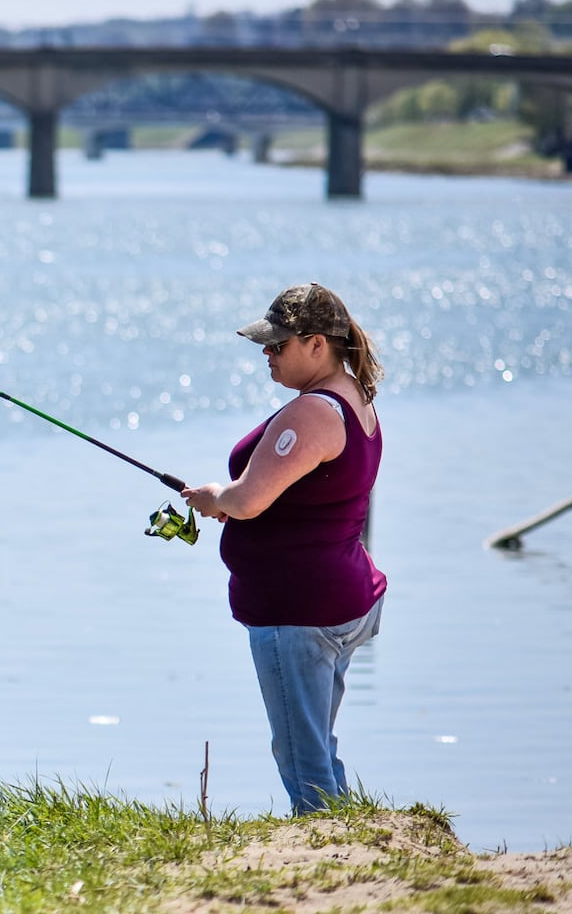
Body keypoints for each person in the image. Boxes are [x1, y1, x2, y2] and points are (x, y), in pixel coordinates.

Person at [181, 283, 386, 815]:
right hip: (337, 597)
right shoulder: (354, 397)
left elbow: (248, 501)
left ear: (317, 344)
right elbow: (305, 493)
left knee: (301, 755)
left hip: (298, 613)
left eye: (278, 346)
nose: (266, 356)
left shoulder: (312, 412)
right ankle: (351, 837)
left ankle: (326, 860)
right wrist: (236, 501)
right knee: (316, 743)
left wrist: (215, 498)